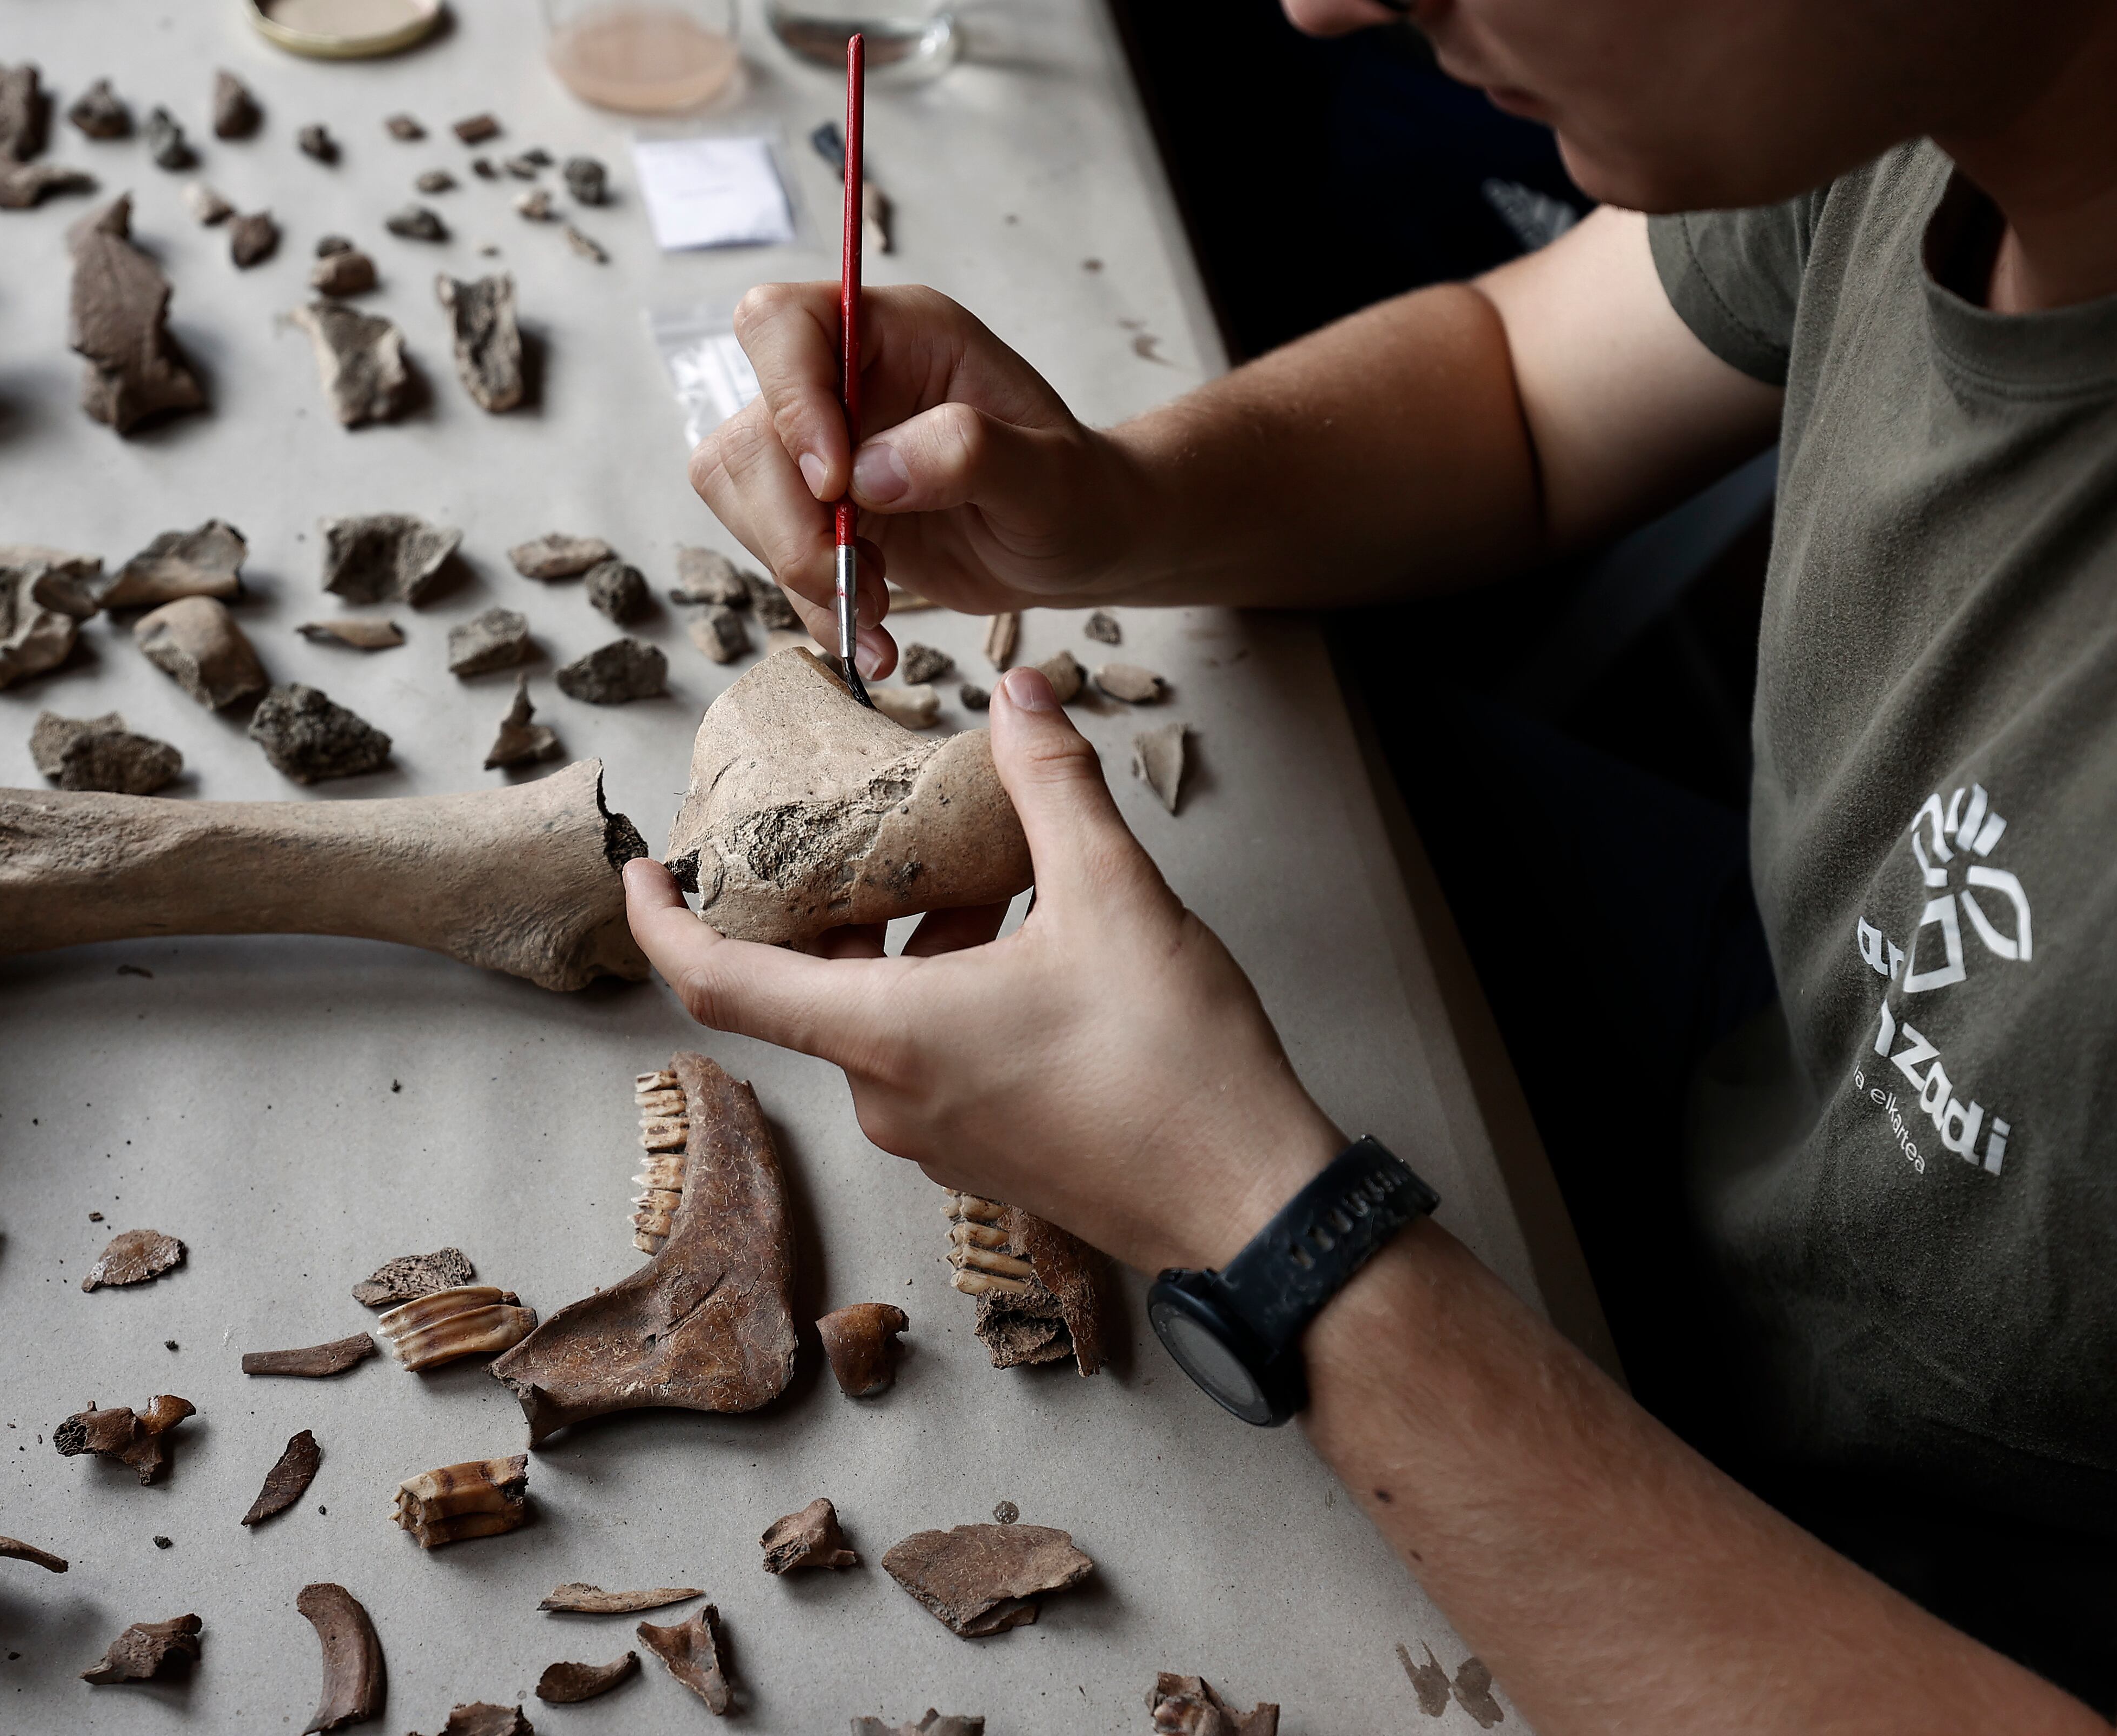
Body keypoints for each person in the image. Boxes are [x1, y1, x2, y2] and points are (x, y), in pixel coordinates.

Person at [622, 0, 2117, 1726]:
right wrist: (1110, 502)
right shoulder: (1942, 97)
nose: (1322, 3)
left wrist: (1272, 1231)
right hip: (1786, 1070)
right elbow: (1525, 394)